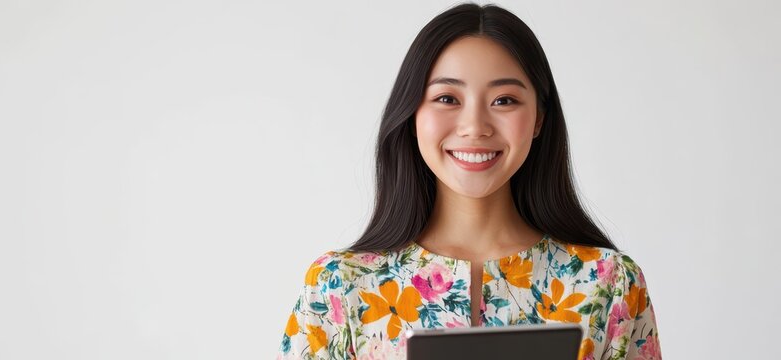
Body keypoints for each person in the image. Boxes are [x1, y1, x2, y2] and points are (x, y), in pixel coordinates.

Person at [277, 3, 661, 359]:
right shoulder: (337, 289)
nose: (475, 126)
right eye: (447, 98)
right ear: (413, 114)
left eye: (504, 100)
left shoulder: (610, 284)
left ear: (539, 119)